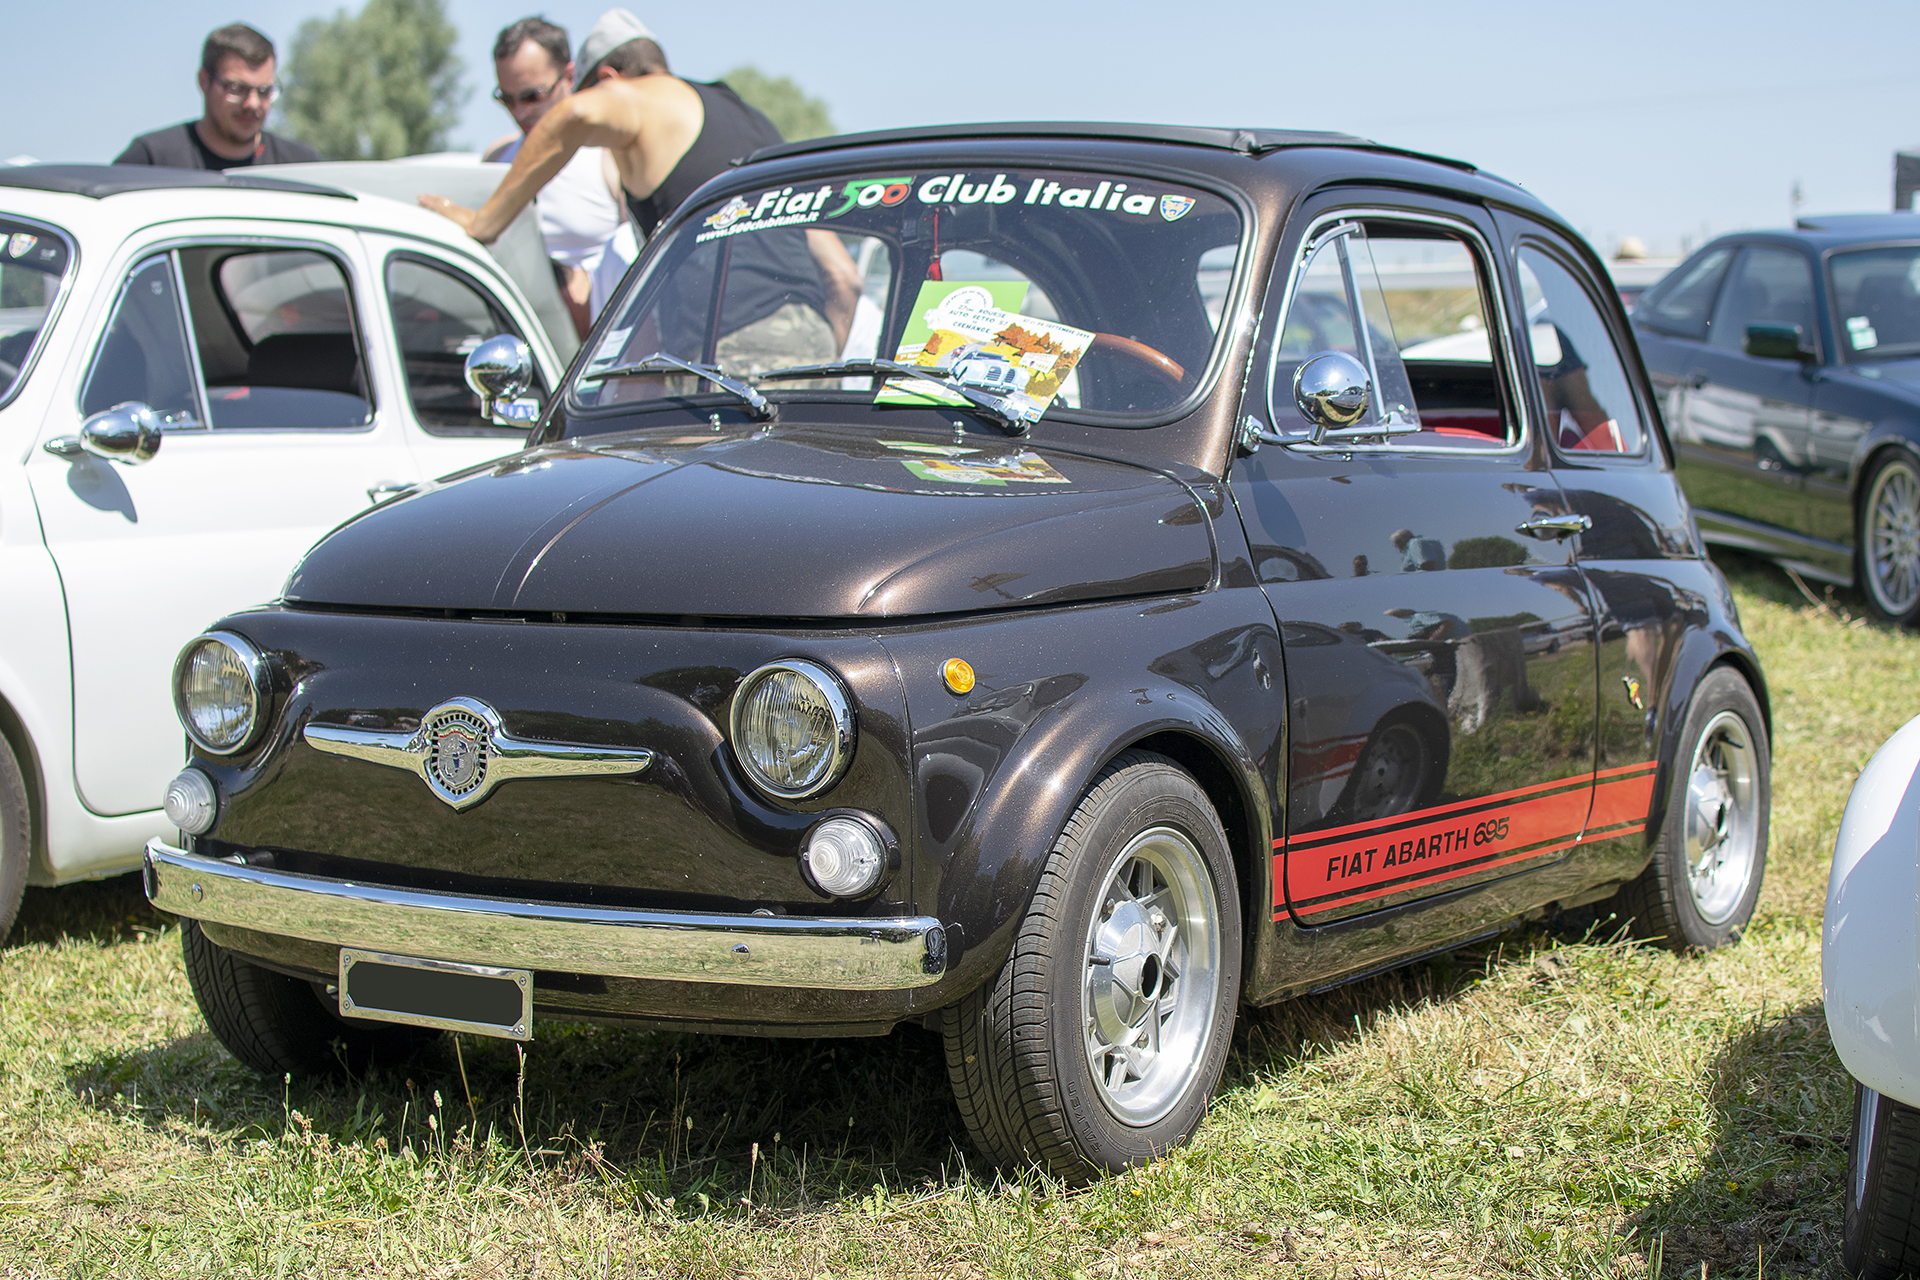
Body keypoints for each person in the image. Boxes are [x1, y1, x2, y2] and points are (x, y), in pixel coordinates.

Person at [420, 8, 859, 369]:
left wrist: (485, 222)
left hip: (727, 359)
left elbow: (574, 118)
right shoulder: (750, 120)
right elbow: (845, 276)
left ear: (609, 82)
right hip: (813, 349)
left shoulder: (637, 98)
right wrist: (810, 358)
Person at [482, 17, 633, 337]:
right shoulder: (497, 159)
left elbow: (639, 262)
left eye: (532, 96)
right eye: (506, 99)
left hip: (594, 342)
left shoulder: (608, 157)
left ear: (569, 76)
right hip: (513, 336)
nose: (520, 112)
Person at [116, 24, 318, 171]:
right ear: (204, 82)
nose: (252, 103)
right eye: (236, 88)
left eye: (264, 90)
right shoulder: (151, 160)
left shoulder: (301, 168)